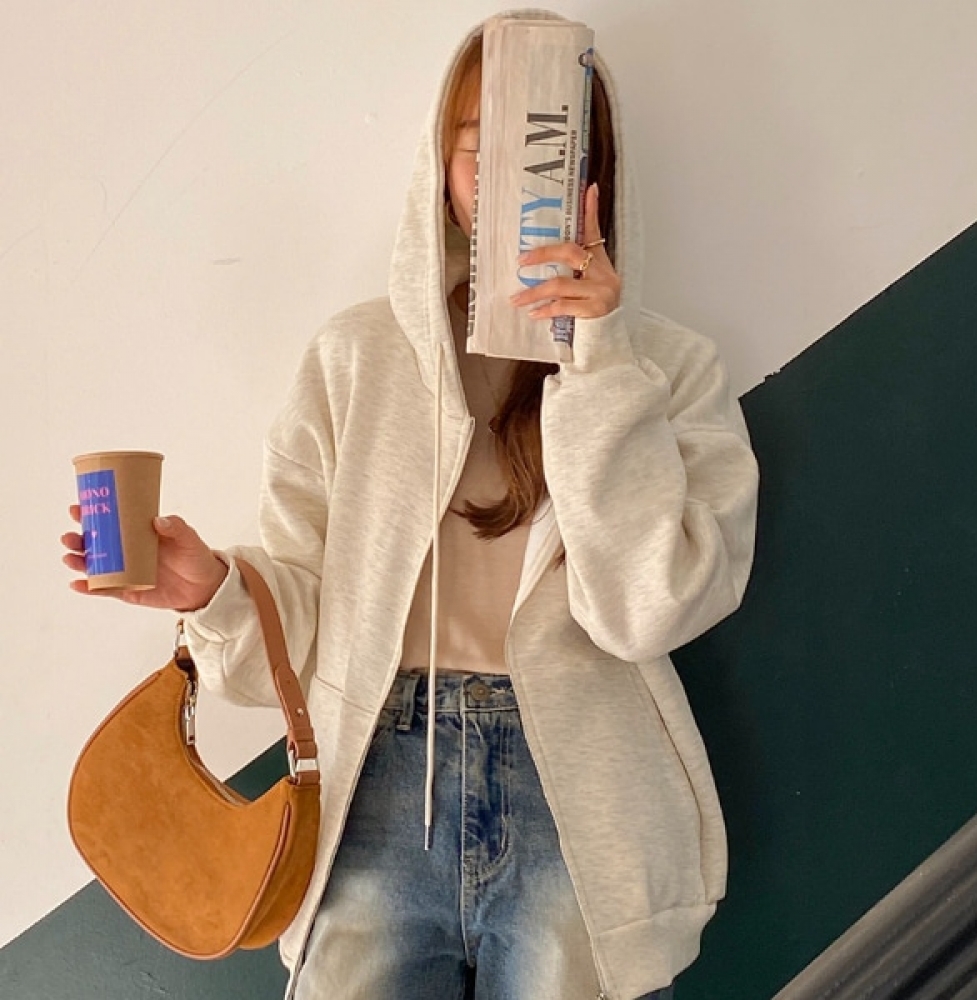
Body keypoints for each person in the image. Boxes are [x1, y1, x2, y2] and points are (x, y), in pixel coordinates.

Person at [62, 10, 758, 1000]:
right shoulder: (355, 360)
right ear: (442, 164)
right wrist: (213, 591)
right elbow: (299, 633)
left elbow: (647, 610)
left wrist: (599, 365)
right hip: (375, 785)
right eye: (482, 150)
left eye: (545, 156)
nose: (509, 184)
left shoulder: (671, 371)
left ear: (593, 173)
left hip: (580, 800)